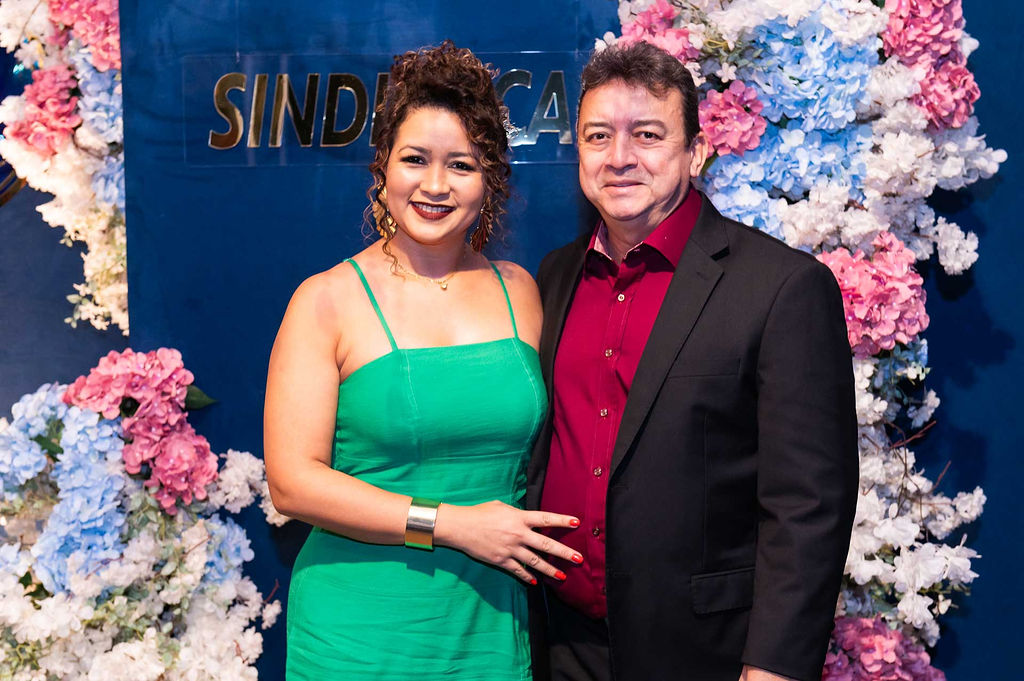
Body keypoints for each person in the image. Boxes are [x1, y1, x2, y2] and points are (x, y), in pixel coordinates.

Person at [527, 42, 859, 681]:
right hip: (562, 645)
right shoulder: (555, 277)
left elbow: (809, 503)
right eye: (598, 136)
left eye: (647, 135)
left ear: (696, 152)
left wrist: (774, 666)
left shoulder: (782, 288)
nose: (619, 157)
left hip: (707, 652)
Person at [264, 41, 581, 681]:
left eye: (461, 165)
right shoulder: (325, 300)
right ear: (382, 167)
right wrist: (452, 526)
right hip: (359, 637)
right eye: (415, 159)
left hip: (491, 628)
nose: (435, 186)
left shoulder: (521, 289)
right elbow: (292, 483)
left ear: (490, 179)